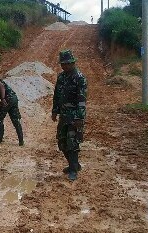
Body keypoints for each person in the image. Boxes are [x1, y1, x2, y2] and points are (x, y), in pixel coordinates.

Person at [52, 49, 87, 181]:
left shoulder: (79, 78)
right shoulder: (61, 77)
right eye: (62, 64)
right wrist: (54, 111)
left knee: (72, 142)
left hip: (75, 116)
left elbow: (82, 100)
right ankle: (74, 165)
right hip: (64, 115)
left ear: (73, 63)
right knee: (62, 142)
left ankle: (73, 170)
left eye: (67, 63)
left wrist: (80, 118)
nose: (64, 66)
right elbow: (57, 95)